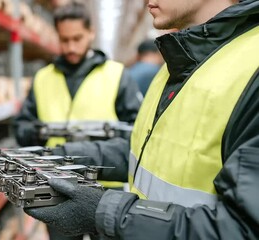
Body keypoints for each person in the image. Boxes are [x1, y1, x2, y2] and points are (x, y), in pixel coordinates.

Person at [24, 0, 259, 239]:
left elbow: (245, 230)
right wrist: (64, 155)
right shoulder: (172, 66)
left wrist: (107, 212)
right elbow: (147, 153)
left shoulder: (252, 69)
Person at [13, 2, 141, 239]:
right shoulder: (43, 77)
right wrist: (41, 134)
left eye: (77, 38)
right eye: (64, 40)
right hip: (54, 187)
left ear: (91, 33)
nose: (71, 46)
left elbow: (138, 133)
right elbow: (21, 127)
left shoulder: (116, 75)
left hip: (103, 189)